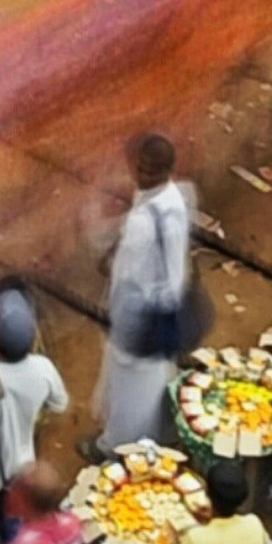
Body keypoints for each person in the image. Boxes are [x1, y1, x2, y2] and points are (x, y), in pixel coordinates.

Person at [102, 137, 198, 447]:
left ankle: (117, 446)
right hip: (153, 312)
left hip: (140, 313)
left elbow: (134, 271)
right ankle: (142, 436)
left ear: (168, 170)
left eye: (150, 172)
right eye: (140, 169)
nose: (142, 176)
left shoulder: (149, 219)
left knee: (130, 388)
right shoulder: (170, 198)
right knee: (144, 381)